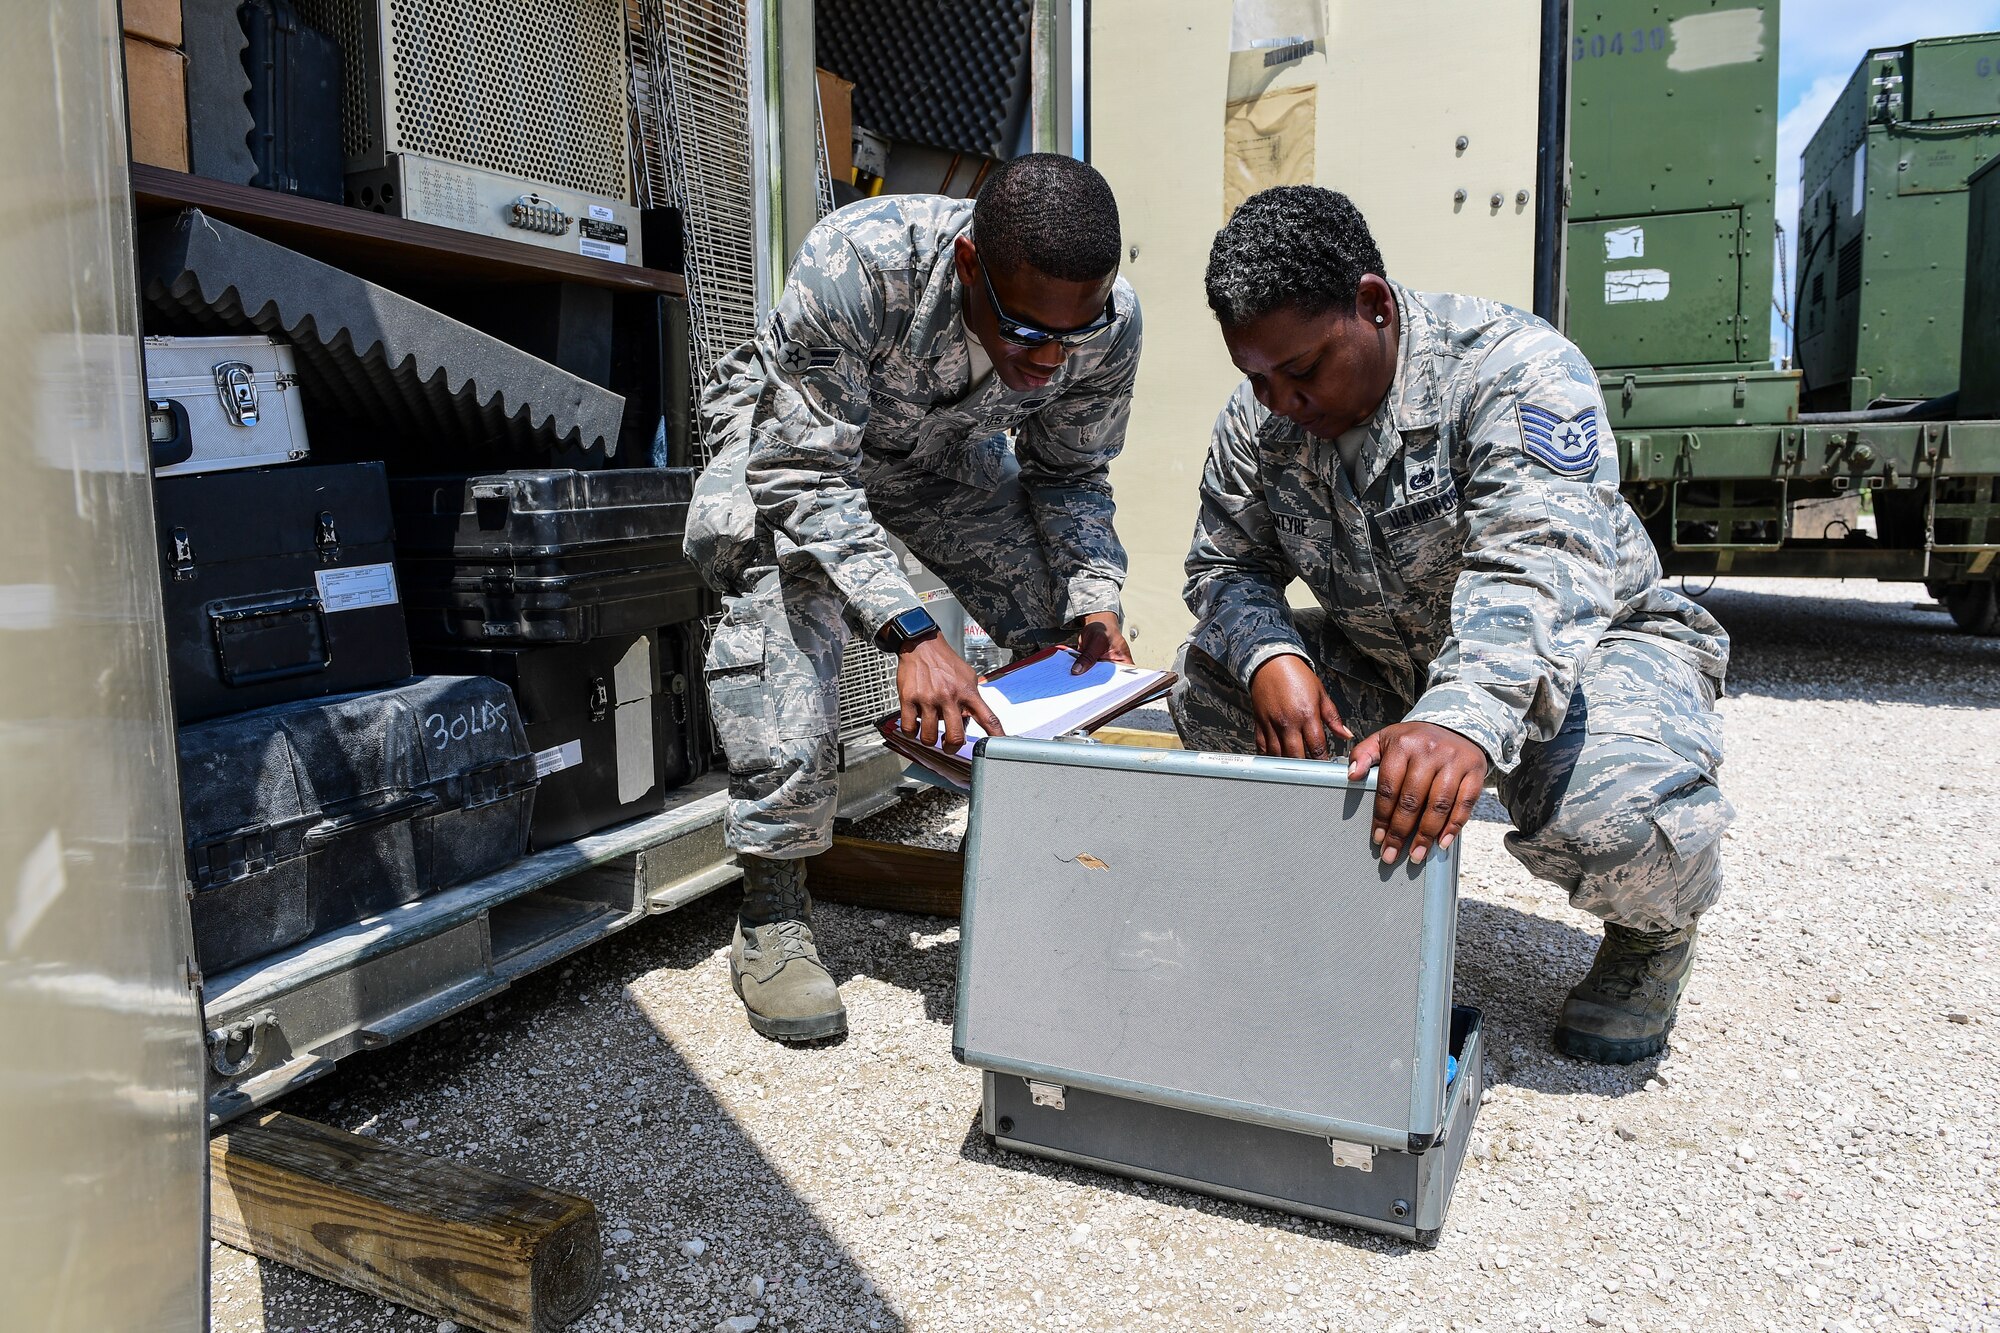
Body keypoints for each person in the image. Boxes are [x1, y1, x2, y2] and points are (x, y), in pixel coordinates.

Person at [1173, 186, 1733, 1063]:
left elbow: (1539, 564)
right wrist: (1270, 652)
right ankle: (1333, 901)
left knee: (1605, 813)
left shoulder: (1513, 370)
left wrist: (1458, 716)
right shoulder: (1260, 419)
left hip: (1593, 649)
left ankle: (1654, 931)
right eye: (1257, 376)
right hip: (1396, 658)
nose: (1281, 400)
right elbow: (1225, 566)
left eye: (1305, 370)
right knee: (1211, 681)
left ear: (1374, 304)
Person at [686, 154, 1142, 1043]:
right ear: (971, 265)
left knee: (1063, 627)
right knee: (788, 620)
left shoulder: (1106, 325)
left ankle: (1008, 865)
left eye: (1070, 338)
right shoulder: (857, 261)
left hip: (942, 455)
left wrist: (1097, 597)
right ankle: (773, 911)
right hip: (800, 453)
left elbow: (1073, 471)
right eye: (1023, 333)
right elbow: (802, 469)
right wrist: (911, 631)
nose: (1048, 361)